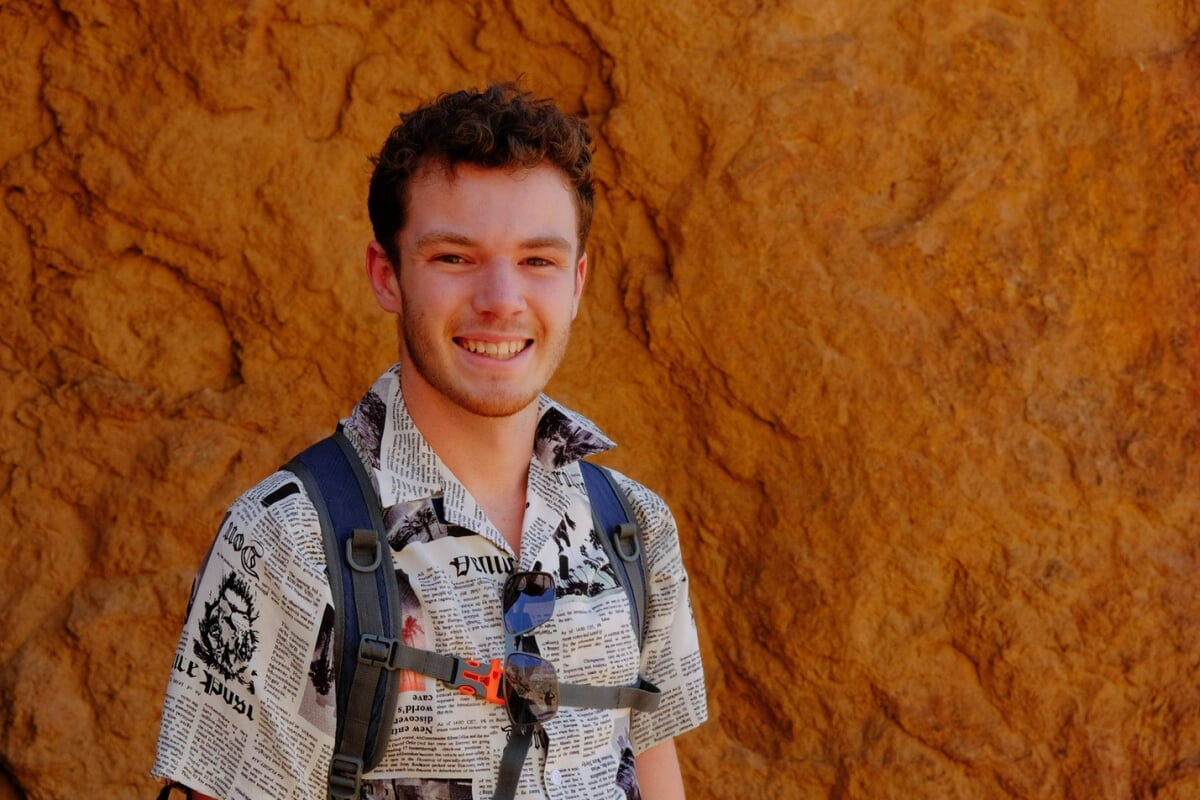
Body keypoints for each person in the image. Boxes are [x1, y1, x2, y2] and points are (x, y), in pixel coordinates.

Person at [152, 83, 708, 800]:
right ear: (387, 276)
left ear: (577, 282)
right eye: (454, 257)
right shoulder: (287, 539)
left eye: (537, 260)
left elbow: (653, 762)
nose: (501, 299)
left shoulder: (636, 526)